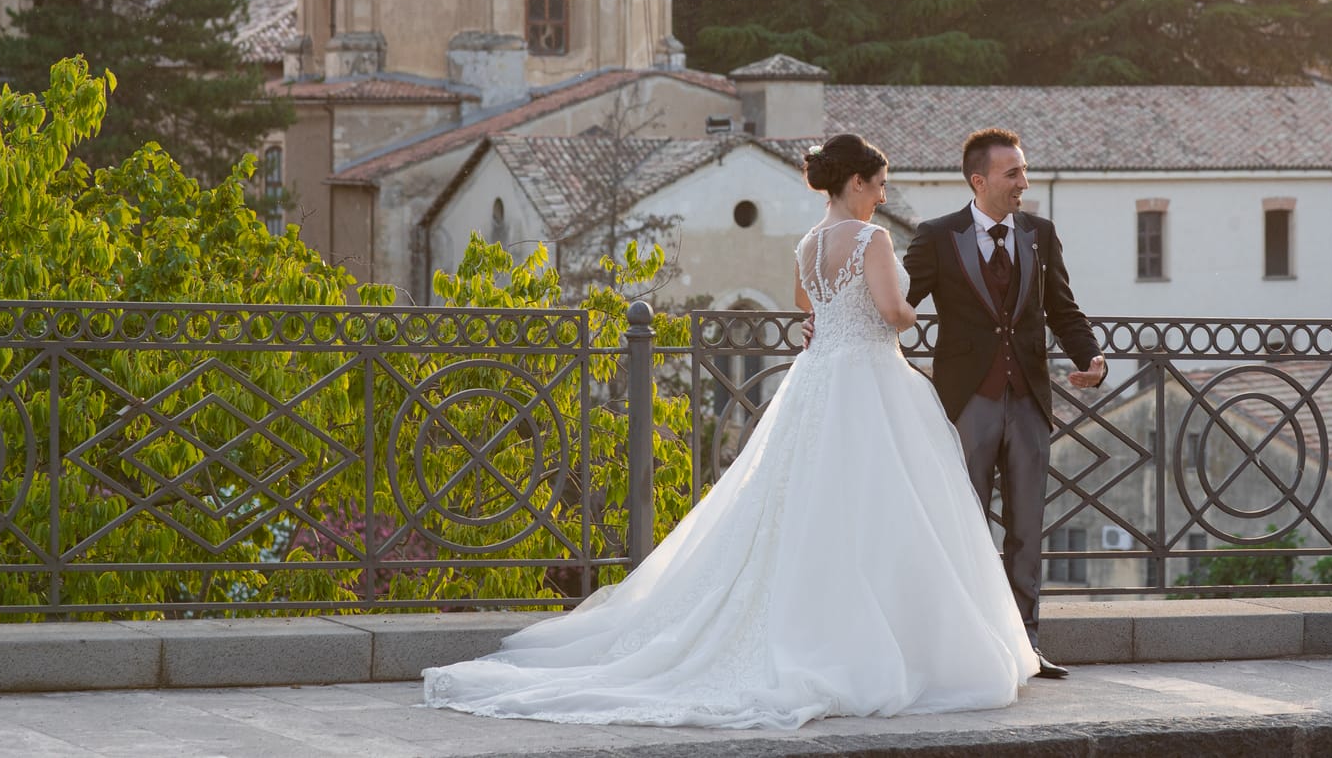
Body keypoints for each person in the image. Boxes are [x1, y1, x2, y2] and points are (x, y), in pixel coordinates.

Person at [422, 133, 1036, 729]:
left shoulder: (808, 243)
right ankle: (883, 637)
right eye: (878, 184)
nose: (882, 195)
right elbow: (894, 311)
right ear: (856, 182)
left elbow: (808, 305)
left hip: (816, 379)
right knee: (879, 504)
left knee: (804, 503)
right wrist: (910, 312)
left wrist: (838, 318)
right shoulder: (870, 238)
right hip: (869, 380)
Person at [903, 127, 1107, 679]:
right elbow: (898, 304)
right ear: (980, 180)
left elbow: (1062, 308)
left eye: (1024, 171)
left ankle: (1025, 647)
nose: (1024, 182)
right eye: (1013, 173)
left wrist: (1092, 357)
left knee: (1026, 530)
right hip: (966, 403)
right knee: (964, 527)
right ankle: (962, 646)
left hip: (1030, 403)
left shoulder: (1040, 234)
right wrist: (831, 322)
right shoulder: (937, 236)